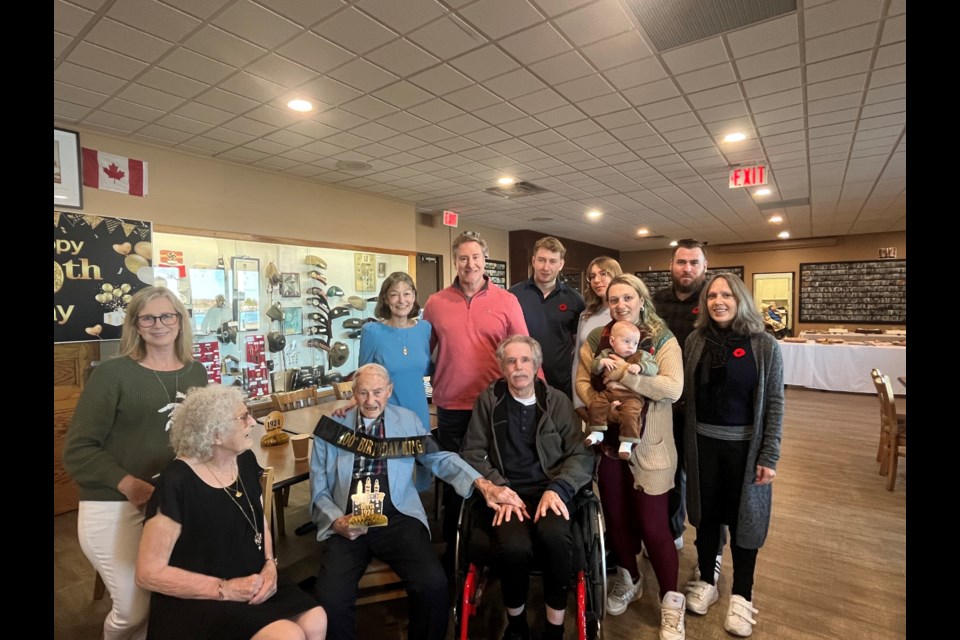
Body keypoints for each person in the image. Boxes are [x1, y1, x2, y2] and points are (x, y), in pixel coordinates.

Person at [309, 364, 525, 640]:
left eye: (377, 392)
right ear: (353, 394)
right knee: (331, 597)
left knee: (433, 585)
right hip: (346, 520)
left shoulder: (407, 421)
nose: (370, 400)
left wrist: (482, 484)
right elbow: (319, 493)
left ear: (389, 392)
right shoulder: (331, 429)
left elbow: (438, 458)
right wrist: (337, 522)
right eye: (362, 393)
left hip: (397, 517)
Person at [63, 286, 209, 640]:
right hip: (114, 504)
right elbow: (78, 449)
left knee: (166, 599)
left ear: (180, 320)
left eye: (167, 316)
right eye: (148, 317)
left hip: (170, 503)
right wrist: (130, 484)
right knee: (132, 610)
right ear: (135, 325)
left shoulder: (196, 373)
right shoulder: (112, 375)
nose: (158, 324)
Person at [135, 385, 327, 640]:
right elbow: (148, 573)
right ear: (214, 434)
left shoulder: (245, 460)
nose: (253, 421)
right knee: (287, 635)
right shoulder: (176, 482)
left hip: (253, 577)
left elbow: (261, 522)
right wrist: (225, 589)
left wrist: (270, 564)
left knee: (316, 619)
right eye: (243, 417)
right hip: (201, 595)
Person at [574, 274, 686, 640]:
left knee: (654, 527)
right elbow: (581, 380)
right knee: (618, 520)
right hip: (608, 444)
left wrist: (627, 377)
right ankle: (630, 578)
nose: (620, 304)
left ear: (641, 298)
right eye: (613, 299)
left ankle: (671, 601)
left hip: (651, 446)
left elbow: (672, 388)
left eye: (627, 297)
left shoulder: (662, 338)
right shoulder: (598, 338)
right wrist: (601, 406)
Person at [460, 336, 594, 640]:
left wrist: (559, 488)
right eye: (511, 361)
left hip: (550, 489)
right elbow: (471, 453)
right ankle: (517, 625)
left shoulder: (557, 401)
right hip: (507, 493)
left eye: (524, 360)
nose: (518, 367)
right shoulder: (489, 400)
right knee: (514, 547)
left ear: (536, 365)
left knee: (556, 539)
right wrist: (498, 489)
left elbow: (580, 453)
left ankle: (554, 628)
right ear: (501, 366)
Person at [682, 274, 784, 637]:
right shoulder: (695, 341)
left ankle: (743, 592)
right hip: (702, 445)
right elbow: (685, 398)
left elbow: (774, 402)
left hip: (746, 447)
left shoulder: (764, 345)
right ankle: (707, 578)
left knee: (745, 522)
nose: (718, 301)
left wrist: (769, 455)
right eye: (712, 295)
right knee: (707, 516)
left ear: (741, 299)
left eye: (726, 294)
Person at [422, 231, 530, 566]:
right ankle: (458, 552)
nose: (470, 264)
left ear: (485, 260)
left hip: (495, 404)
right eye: (463, 258)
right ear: (456, 261)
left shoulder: (507, 301)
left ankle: (494, 546)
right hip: (452, 405)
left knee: (496, 475)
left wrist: (537, 394)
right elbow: (422, 355)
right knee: (458, 481)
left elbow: (524, 350)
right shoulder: (436, 303)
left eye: (475, 258)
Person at [651, 239, 724, 571]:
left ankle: (712, 551)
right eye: (681, 262)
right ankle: (670, 532)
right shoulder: (655, 303)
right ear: (671, 265)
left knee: (703, 479)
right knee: (666, 472)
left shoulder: (714, 301)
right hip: (663, 405)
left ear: (705, 266)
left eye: (694, 262)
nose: (687, 269)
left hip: (701, 407)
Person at [508, 236, 585, 397]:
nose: (546, 267)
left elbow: (578, 343)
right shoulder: (513, 296)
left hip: (561, 385)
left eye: (552, 261)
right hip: (521, 380)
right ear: (533, 261)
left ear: (561, 264)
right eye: (541, 260)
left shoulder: (574, 299)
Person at [584, 321, 659, 459]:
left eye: (635, 343)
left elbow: (654, 367)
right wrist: (602, 362)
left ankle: (627, 442)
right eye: (626, 341)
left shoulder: (641, 355)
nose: (631, 346)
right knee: (596, 404)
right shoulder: (606, 353)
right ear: (612, 341)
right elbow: (593, 368)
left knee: (631, 413)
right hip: (610, 392)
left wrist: (641, 367)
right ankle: (597, 432)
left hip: (631, 395)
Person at [571, 257, 623, 423]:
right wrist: (578, 401)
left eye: (603, 274)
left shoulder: (627, 314)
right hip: (589, 395)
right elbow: (578, 360)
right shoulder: (586, 315)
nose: (597, 280)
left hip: (623, 397)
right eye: (592, 276)